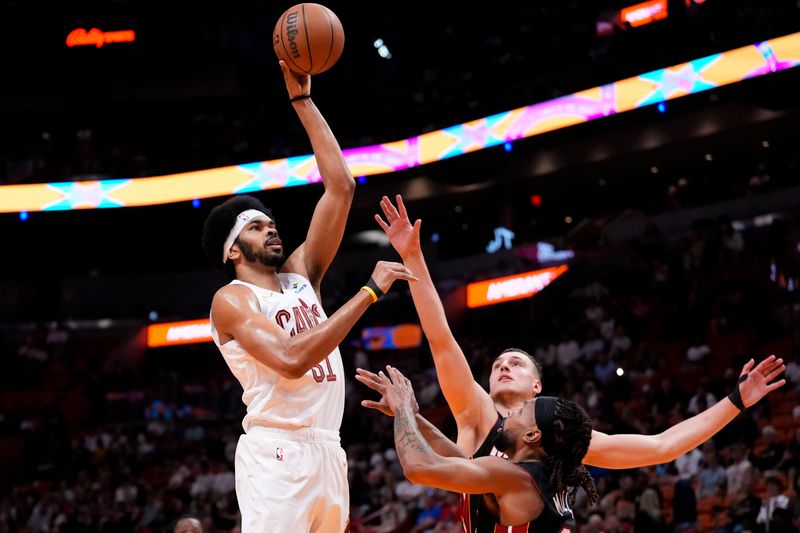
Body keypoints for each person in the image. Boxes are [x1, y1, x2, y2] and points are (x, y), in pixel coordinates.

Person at [357, 194, 787, 470]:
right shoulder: (473, 412)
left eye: (516, 363)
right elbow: (440, 337)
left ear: (538, 385)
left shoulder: (562, 436)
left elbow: (661, 446)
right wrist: (412, 256)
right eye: (498, 363)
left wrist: (736, 400)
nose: (504, 365)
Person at [200, 64, 417, 532]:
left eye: (270, 221)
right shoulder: (231, 300)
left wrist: (304, 103)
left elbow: (341, 188)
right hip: (277, 450)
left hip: (327, 449)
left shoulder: (300, 276)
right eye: (255, 227)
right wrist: (369, 292)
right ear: (233, 250)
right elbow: (292, 358)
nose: (271, 228)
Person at [378, 364, 598, 532]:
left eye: (520, 412)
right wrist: (412, 416)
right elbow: (466, 465)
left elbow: (418, 468)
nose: (510, 414)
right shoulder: (543, 480)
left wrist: (403, 409)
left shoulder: (515, 477)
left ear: (532, 435)